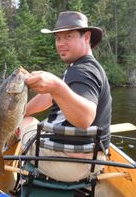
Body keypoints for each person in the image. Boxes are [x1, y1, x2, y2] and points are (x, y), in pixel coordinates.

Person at [19, 11, 112, 182]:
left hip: (69, 164)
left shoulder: (83, 71)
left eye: (68, 36)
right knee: (24, 117)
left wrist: (57, 86)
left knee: (27, 123)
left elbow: (85, 118)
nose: (61, 43)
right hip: (93, 161)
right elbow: (49, 97)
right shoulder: (82, 66)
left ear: (87, 37)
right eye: (58, 38)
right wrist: (21, 111)